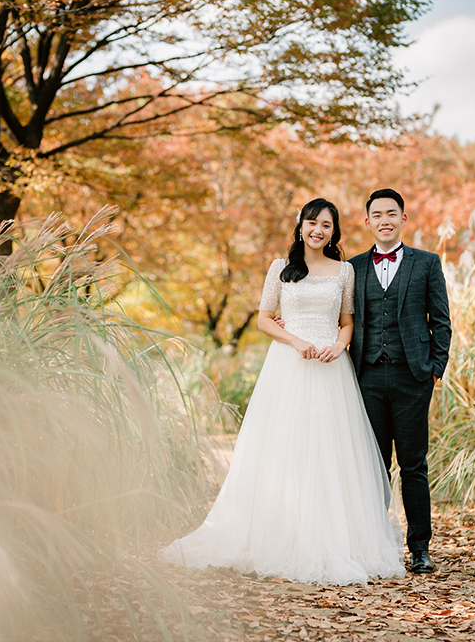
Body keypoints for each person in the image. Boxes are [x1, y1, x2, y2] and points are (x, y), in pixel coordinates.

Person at [159, 198, 405, 585]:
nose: (318, 231)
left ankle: (330, 537)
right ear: (300, 225)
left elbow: (346, 323)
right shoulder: (280, 269)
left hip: (329, 367)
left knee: (328, 450)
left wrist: (338, 346)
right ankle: (278, 533)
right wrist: (295, 340)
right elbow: (262, 320)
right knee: (282, 446)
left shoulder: (344, 272)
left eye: (326, 225)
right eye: (312, 223)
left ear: (334, 231)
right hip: (288, 365)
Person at [348, 188, 452, 574]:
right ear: (368, 222)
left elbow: (440, 321)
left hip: (413, 378)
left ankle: (420, 548)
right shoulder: (353, 267)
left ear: (403, 219)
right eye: (378, 215)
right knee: (372, 465)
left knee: (413, 466)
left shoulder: (427, 263)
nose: (385, 220)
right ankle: (375, 546)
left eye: (392, 213)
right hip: (366, 378)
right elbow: (341, 318)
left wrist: (434, 369)